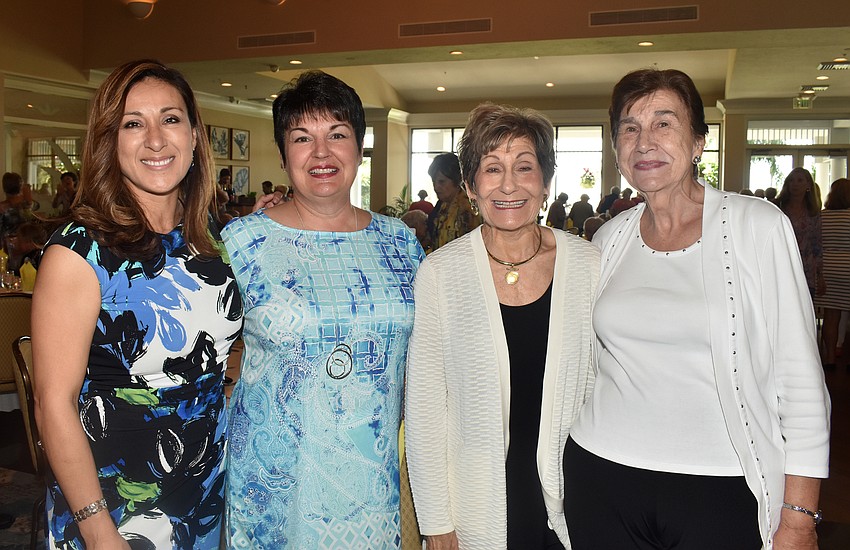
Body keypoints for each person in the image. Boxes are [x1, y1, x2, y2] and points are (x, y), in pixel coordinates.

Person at [565, 68, 830, 550]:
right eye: (629, 127)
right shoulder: (608, 239)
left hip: (723, 487)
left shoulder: (758, 226)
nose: (644, 141)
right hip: (602, 477)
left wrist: (799, 517)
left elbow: (801, 379)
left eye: (664, 123)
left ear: (698, 143)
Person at [32, 59, 243, 549]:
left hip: (203, 495)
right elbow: (53, 406)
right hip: (114, 505)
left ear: (194, 135)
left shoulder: (211, 241)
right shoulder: (79, 252)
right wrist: (98, 530)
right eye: (133, 123)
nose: (155, 139)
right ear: (109, 141)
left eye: (170, 119)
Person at [222, 70, 424, 548]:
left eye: (337, 135)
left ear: (358, 146)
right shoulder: (243, 242)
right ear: (283, 153)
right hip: (277, 490)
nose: (321, 153)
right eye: (302, 138)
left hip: (378, 481)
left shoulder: (401, 243)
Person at [405, 103, 599, 549]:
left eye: (524, 167)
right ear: (471, 186)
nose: (509, 185)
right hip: (475, 508)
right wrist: (436, 523)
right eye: (492, 169)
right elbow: (426, 411)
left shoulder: (589, 264)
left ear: (545, 183)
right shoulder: (440, 274)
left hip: (575, 505)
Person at [814, 178, 850, 369]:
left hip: (828, 269)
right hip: (848, 268)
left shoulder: (821, 217)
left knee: (831, 316)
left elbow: (816, 246)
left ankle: (829, 358)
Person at [778, 167, 824, 298]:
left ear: (808, 185)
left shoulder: (813, 212)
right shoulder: (778, 208)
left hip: (806, 269)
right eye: (791, 180)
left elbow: (817, 245)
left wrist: (820, 275)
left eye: (799, 180)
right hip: (782, 264)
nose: (795, 184)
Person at [426, 152, 481, 251]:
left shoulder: (467, 209)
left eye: (441, 182)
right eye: (433, 181)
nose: (436, 187)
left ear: (457, 180)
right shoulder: (441, 205)